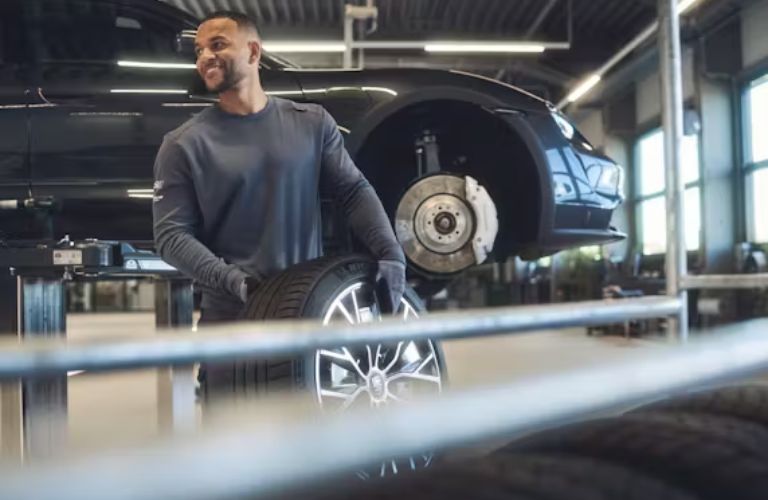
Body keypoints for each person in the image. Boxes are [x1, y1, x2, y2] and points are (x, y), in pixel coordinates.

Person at [152, 11, 406, 325]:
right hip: (231, 319)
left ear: (253, 51)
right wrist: (236, 283)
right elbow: (171, 236)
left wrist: (390, 254)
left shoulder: (312, 123)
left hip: (307, 310)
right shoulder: (183, 144)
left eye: (217, 45)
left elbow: (353, 191)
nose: (205, 57)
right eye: (199, 51)